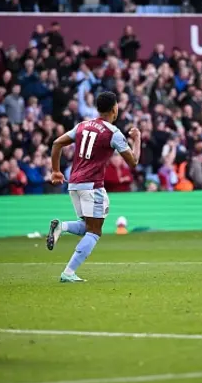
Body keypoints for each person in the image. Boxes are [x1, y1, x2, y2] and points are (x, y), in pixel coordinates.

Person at [46, 92, 141, 282]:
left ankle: (61, 227)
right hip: (92, 186)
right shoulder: (113, 133)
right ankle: (69, 273)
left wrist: (56, 171)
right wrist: (137, 138)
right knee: (95, 231)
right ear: (115, 108)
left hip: (74, 184)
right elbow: (133, 162)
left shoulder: (82, 126)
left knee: (86, 226)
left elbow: (57, 143)